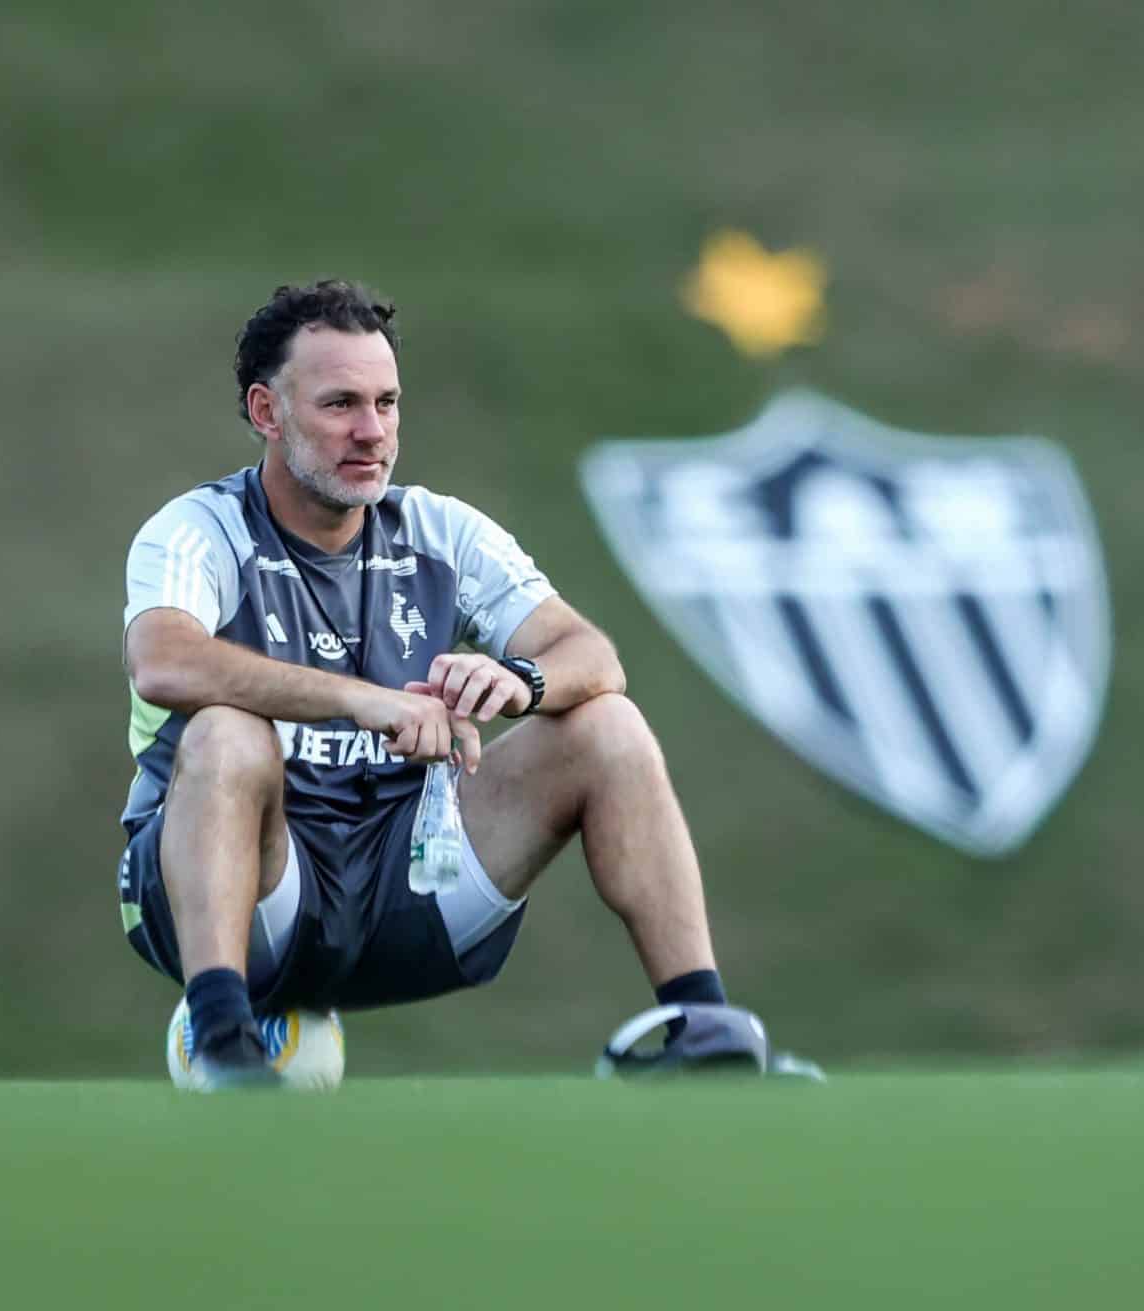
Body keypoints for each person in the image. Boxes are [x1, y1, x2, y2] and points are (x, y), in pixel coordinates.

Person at [119, 279, 787, 1086]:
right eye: (340, 405)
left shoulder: (440, 529)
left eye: (387, 403)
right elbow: (163, 662)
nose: (372, 433)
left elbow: (591, 655)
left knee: (607, 724)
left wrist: (515, 679)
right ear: (267, 413)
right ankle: (223, 1040)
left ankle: (704, 1028)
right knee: (225, 733)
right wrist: (363, 699)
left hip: (408, 882)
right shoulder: (199, 530)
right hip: (254, 893)